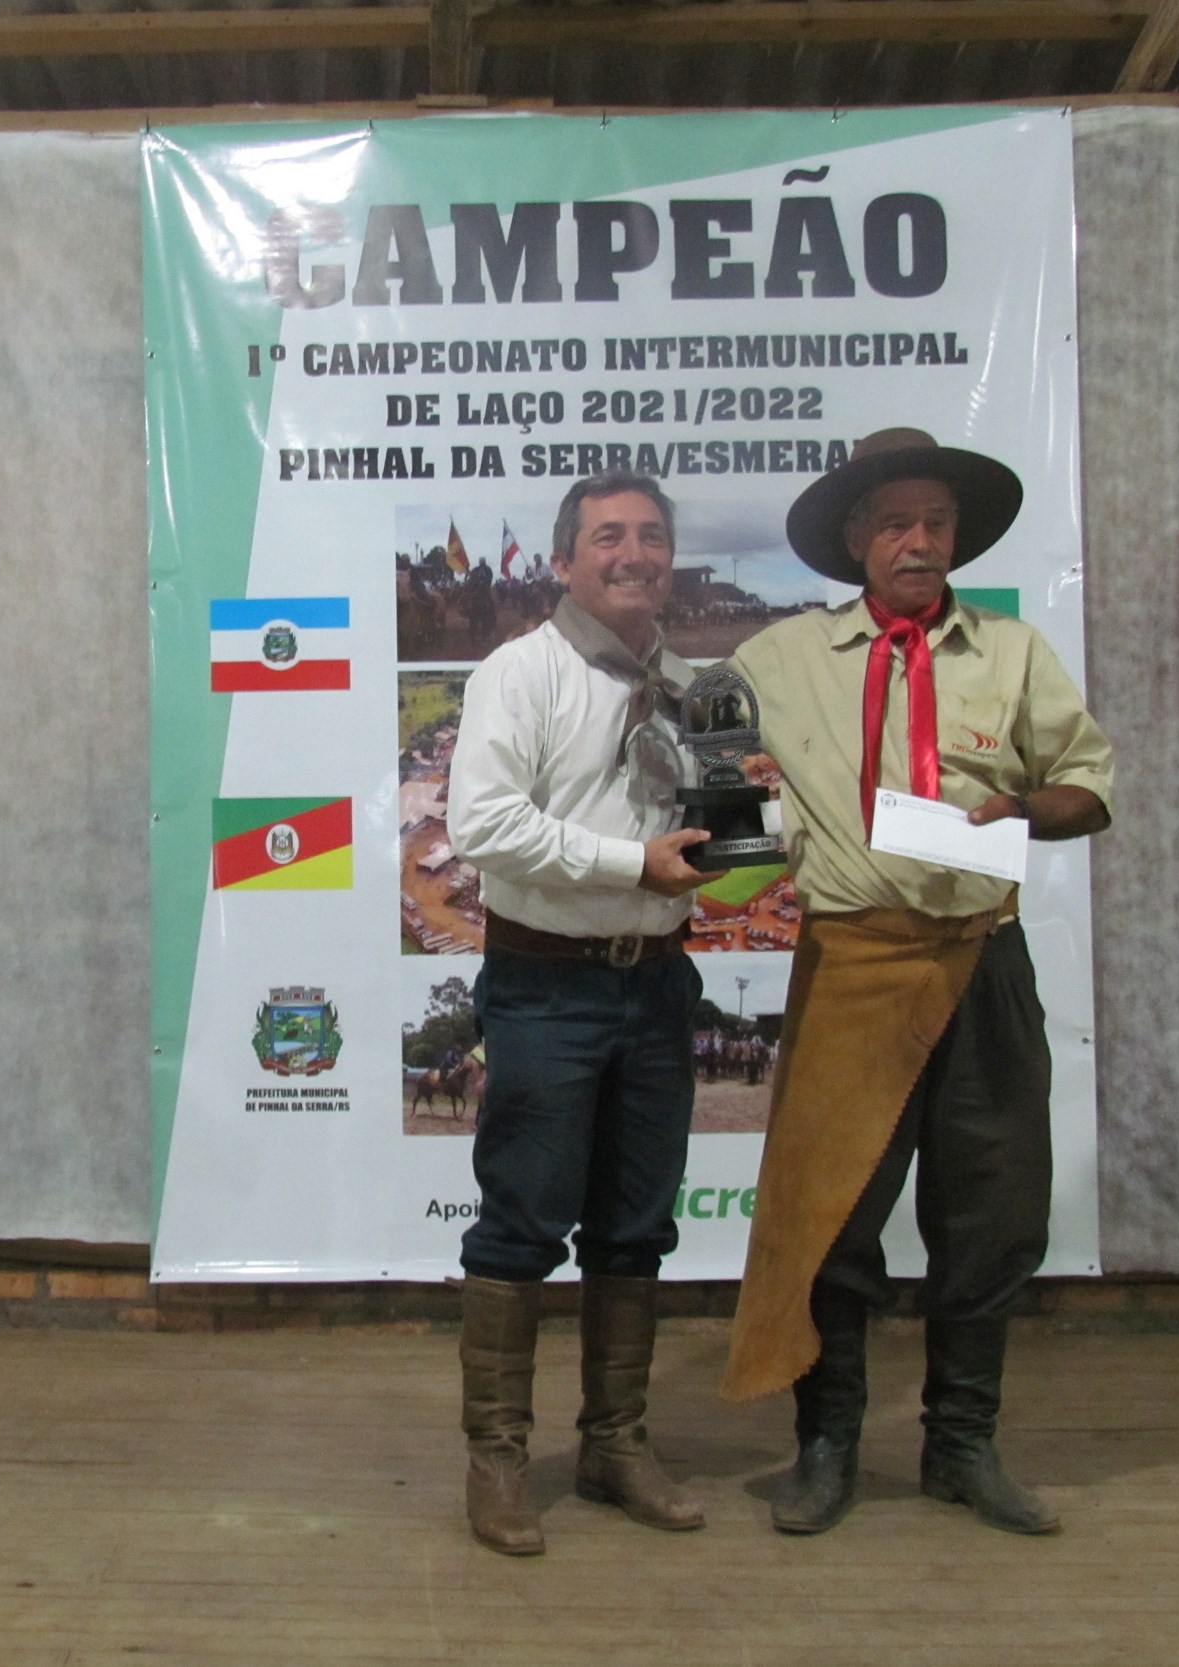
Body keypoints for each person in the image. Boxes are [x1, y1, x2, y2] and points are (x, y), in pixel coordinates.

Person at [721, 427, 1113, 1538]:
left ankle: (962, 1443)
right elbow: (700, 759)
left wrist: (1026, 807)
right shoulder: (779, 657)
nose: (919, 541)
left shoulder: (1014, 652)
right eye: (895, 522)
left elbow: (1088, 784)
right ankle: (827, 1443)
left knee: (992, 1211)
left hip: (983, 957)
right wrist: (728, 790)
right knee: (831, 1213)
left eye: (936, 521)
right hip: (853, 959)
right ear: (856, 538)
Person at [445, 471, 716, 1557]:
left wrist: (752, 838)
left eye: (651, 535)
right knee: (521, 1221)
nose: (633, 553)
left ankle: (613, 1442)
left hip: (657, 982)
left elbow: (718, 818)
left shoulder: (694, 685)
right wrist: (632, 862)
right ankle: (496, 1455)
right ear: (563, 561)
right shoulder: (520, 672)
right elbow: (482, 826)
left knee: (636, 1222)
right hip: (547, 982)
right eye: (608, 536)